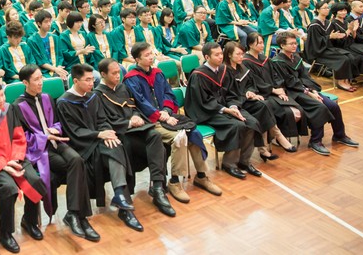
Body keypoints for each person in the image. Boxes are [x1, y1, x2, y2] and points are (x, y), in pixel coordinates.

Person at [124, 43, 221, 204]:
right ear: (137, 59)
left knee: (193, 133)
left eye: (151, 54)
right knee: (179, 137)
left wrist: (167, 112)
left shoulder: (158, 73)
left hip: (167, 117)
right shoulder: (131, 79)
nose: (151, 57)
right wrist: (161, 116)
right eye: (147, 55)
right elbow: (140, 103)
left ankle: (202, 176)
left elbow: (169, 94)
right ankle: (175, 181)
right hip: (149, 122)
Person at [13, 65, 99, 241]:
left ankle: (74, 213)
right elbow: (21, 137)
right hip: (38, 150)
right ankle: (79, 215)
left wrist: (54, 129)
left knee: (77, 160)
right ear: (25, 82)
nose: (40, 82)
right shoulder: (17, 106)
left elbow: (58, 123)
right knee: (72, 167)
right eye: (36, 80)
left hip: (56, 143)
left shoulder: (47, 98)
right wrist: (44, 135)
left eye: (41, 78)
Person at [56, 64, 137, 230]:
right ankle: (123, 202)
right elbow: (74, 132)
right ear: (76, 81)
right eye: (87, 80)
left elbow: (102, 120)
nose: (92, 83)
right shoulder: (64, 102)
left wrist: (108, 132)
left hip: (99, 141)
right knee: (114, 149)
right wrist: (99, 135)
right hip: (82, 145)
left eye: (92, 79)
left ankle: (121, 196)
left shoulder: (93, 97)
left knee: (117, 144)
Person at [0, 77, 47, 253]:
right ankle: (4, 232)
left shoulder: (9, 109)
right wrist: (4, 163)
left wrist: (16, 158)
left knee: (34, 180)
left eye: (2, 96)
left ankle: (29, 220)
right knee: (8, 189)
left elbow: (19, 136)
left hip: (16, 157)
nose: (1, 101)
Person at [95, 58, 175, 218]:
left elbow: (135, 108)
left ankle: (158, 188)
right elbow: (102, 122)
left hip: (136, 130)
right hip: (120, 134)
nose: (118, 76)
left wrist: (137, 117)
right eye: (114, 73)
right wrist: (128, 123)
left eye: (119, 72)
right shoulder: (97, 95)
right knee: (131, 146)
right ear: (103, 74)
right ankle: (125, 202)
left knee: (155, 136)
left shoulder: (123, 88)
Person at [270, 31, 359, 156]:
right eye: (291, 44)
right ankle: (315, 141)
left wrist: (313, 90)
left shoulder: (296, 57)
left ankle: (339, 135)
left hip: (306, 89)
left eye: (295, 43)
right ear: (282, 46)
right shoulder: (277, 62)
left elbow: (306, 76)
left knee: (334, 106)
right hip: (292, 92)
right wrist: (309, 93)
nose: (295, 46)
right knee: (319, 107)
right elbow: (290, 83)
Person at [185, 43, 262, 179]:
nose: (221, 57)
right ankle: (229, 164)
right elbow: (202, 102)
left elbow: (233, 94)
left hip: (227, 107)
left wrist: (233, 107)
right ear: (207, 56)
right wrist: (225, 110)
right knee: (237, 125)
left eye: (221, 53)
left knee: (251, 122)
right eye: (217, 54)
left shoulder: (223, 70)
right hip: (207, 111)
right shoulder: (198, 75)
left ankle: (244, 161)